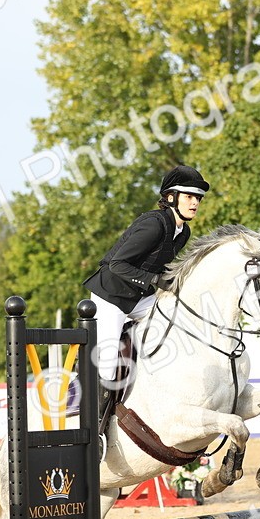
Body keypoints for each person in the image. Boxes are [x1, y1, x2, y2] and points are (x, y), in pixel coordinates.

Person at [83, 164, 208, 399]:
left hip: (139, 297)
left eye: (198, 198)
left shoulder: (183, 232)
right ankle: (96, 425)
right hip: (111, 296)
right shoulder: (154, 224)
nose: (195, 203)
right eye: (189, 196)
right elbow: (117, 264)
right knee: (107, 365)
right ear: (171, 197)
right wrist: (154, 280)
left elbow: (161, 268)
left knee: (178, 316)